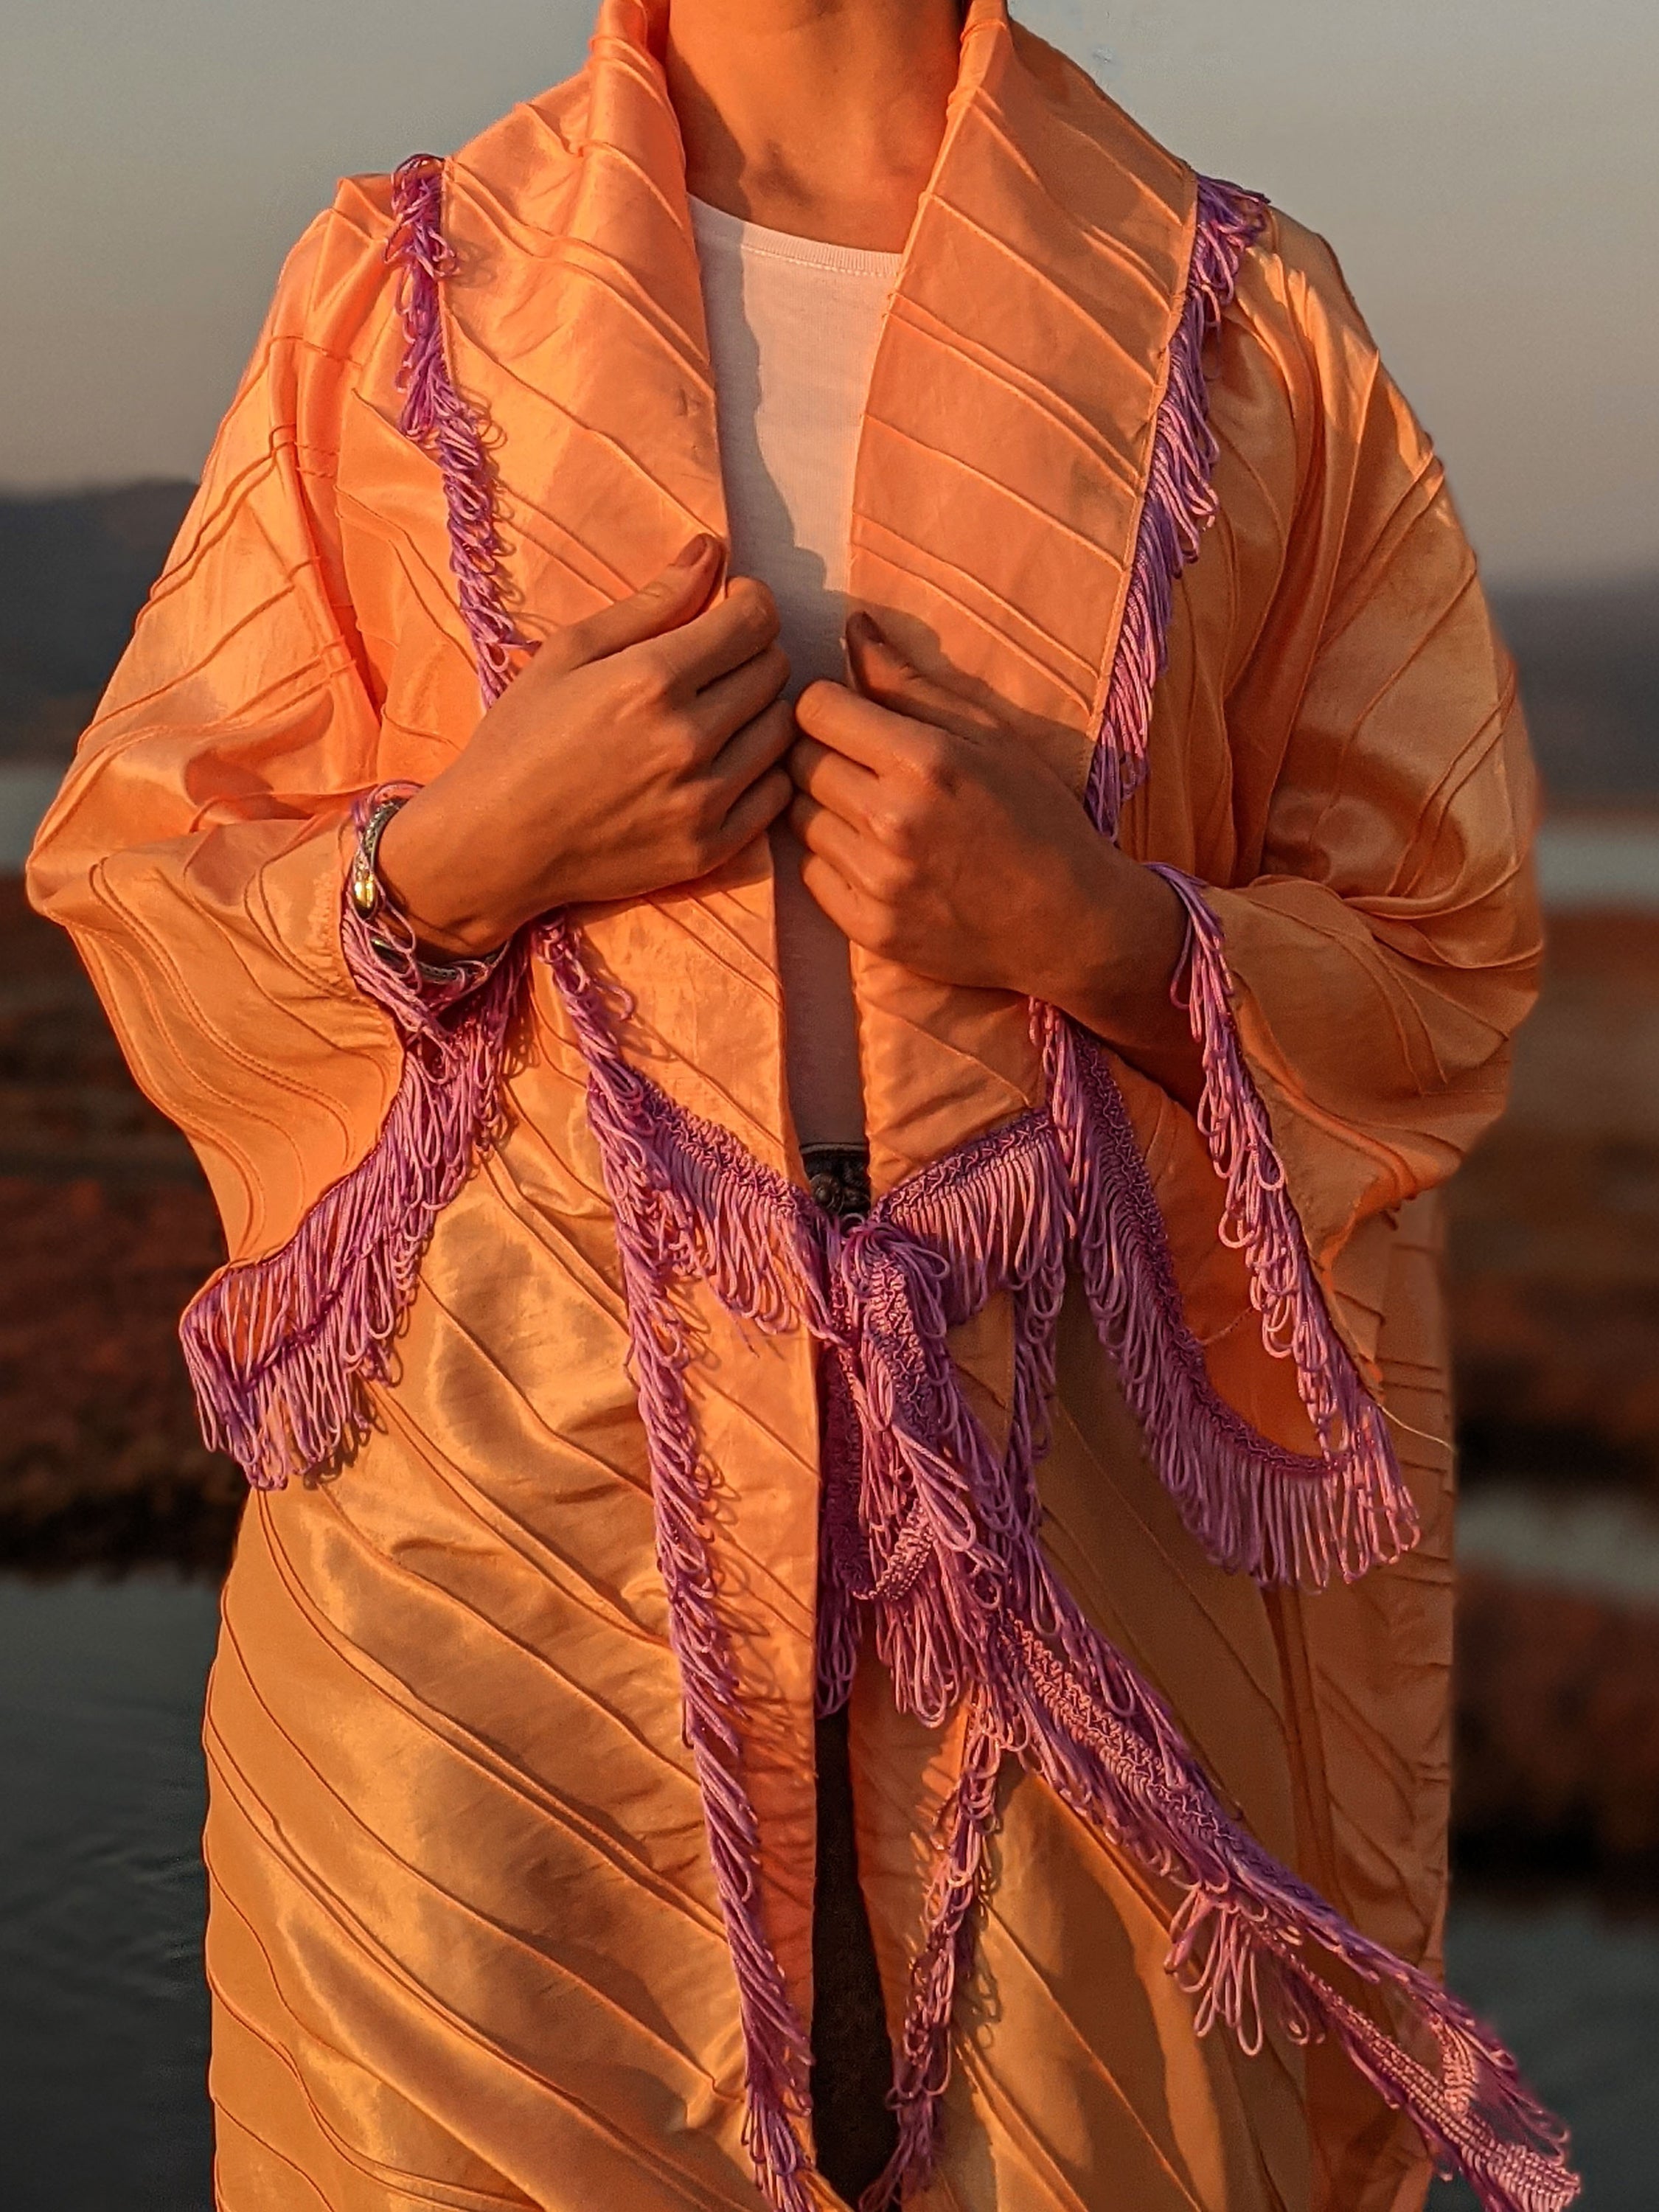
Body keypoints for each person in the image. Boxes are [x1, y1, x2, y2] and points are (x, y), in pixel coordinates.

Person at [28, 1, 1571, 2207]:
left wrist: (1101, 928)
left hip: (1069, 1542)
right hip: (494, 1568)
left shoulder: (1242, 324)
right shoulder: (405, 283)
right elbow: (147, 866)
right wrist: (458, 858)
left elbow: (1440, 941)